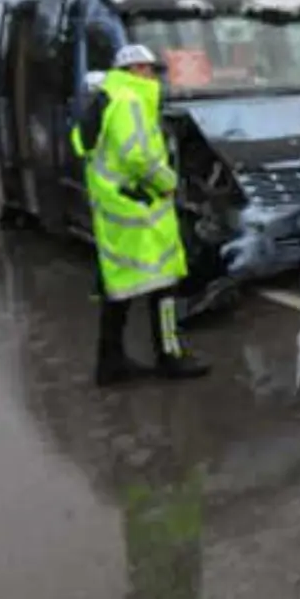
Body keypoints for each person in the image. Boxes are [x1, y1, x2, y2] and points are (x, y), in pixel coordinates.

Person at [70, 44, 210, 387]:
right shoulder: (130, 100)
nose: (153, 76)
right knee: (163, 283)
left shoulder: (106, 98)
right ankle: (170, 356)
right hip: (141, 207)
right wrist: (169, 182)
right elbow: (138, 156)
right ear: (134, 70)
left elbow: (81, 142)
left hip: (116, 207)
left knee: (120, 286)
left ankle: (110, 362)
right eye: (148, 69)